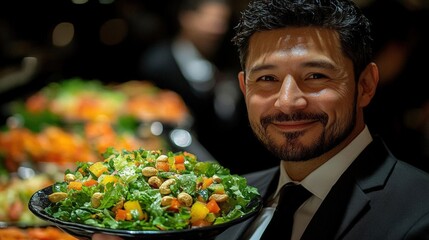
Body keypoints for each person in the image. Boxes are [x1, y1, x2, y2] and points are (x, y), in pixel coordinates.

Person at [93, 0, 429, 239]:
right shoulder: (226, 198)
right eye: (266, 79)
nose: (287, 102)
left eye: (315, 76)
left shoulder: (419, 214)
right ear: (244, 87)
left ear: (365, 85)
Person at [138, 0, 277, 173]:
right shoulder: (158, 63)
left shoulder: (228, 59)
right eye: (210, 19)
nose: (217, 28)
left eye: (222, 21)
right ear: (186, 18)